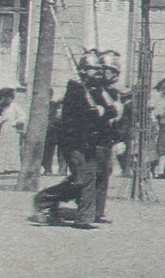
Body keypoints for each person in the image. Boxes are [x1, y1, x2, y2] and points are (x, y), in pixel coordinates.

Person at [33, 50, 124, 229]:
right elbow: (81, 115)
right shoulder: (75, 89)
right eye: (92, 70)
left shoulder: (96, 90)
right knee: (82, 178)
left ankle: (85, 217)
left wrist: (107, 112)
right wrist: (101, 111)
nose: (97, 73)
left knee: (89, 177)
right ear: (83, 71)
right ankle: (44, 199)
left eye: (99, 70)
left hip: (88, 142)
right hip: (73, 142)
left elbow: (105, 115)